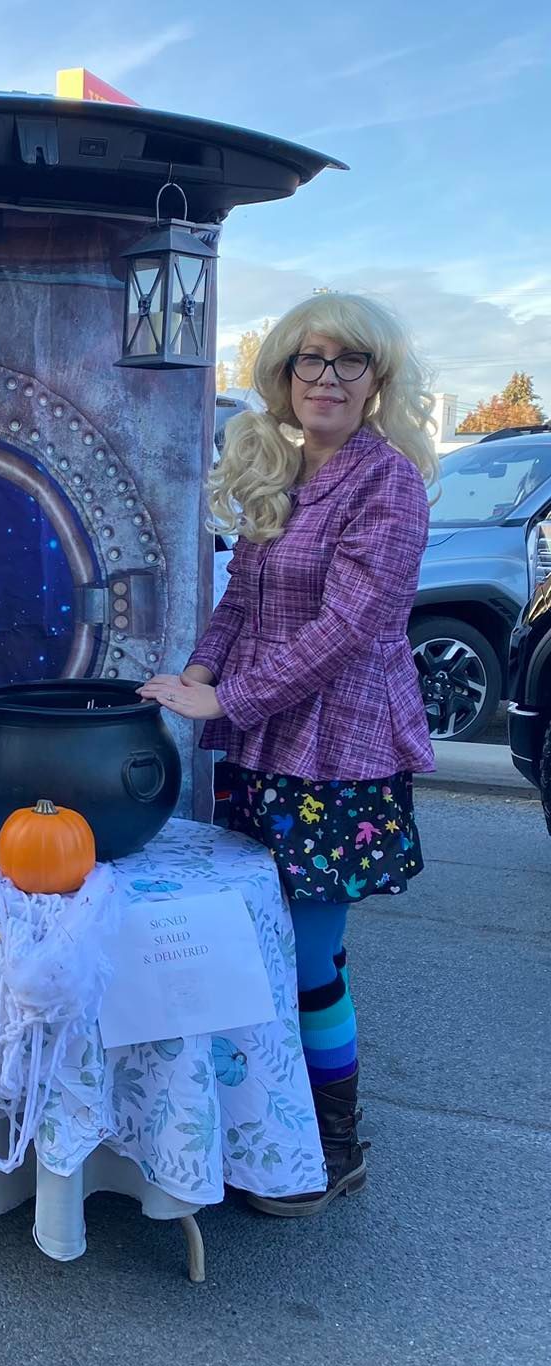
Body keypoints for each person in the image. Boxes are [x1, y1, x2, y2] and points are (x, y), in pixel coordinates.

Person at [139, 292, 437, 1217]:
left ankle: (335, 1143)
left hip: (339, 747)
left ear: (377, 380)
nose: (327, 378)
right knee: (256, 943)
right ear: (283, 373)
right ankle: (265, 1125)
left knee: (311, 955)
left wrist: (227, 699)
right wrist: (196, 670)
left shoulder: (388, 484)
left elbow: (347, 629)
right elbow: (242, 601)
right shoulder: (280, 467)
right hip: (266, 742)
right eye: (311, 359)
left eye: (350, 362)